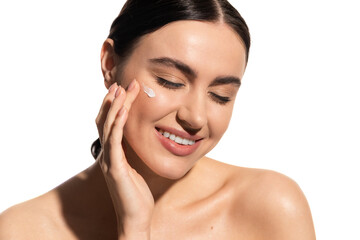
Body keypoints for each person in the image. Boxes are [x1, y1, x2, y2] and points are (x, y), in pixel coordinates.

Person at [0, 0, 316, 239]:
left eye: (220, 95)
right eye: (170, 81)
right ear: (110, 64)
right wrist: (134, 228)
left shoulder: (270, 207)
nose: (195, 117)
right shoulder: (23, 230)